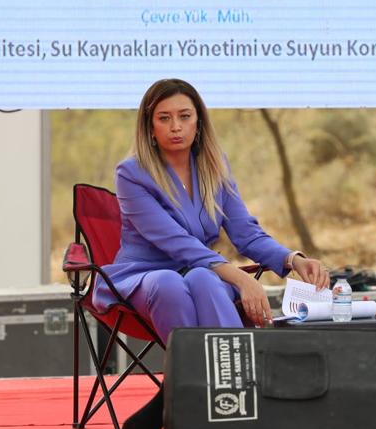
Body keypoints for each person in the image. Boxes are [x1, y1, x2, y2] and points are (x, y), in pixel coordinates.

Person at [93, 78, 330, 343]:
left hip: (203, 272)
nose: (175, 126)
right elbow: (176, 242)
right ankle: (194, 368)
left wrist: (293, 260)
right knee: (169, 283)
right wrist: (241, 279)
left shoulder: (215, 166)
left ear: (199, 122)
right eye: (164, 118)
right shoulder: (131, 174)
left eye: (185, 116)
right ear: (150, 126)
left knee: (202, 279)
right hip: (144, 276)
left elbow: (246, 233)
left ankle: (234, 366)